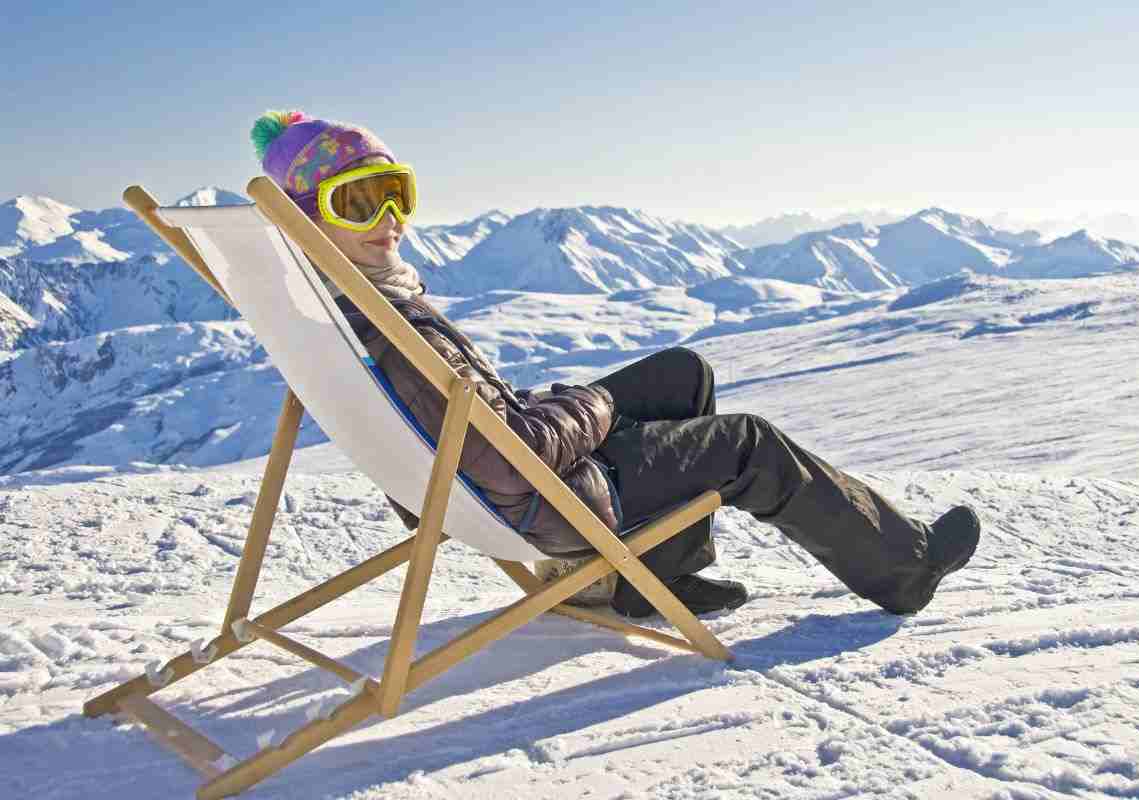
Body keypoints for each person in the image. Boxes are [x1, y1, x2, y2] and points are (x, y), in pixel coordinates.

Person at [250, 110, 982, 619]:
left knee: (680, 373)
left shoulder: (336, 306)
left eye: (394, 194)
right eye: (357, 204)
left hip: (502, 476)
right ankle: (904, 569)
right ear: (310, 219)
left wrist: (550, 404)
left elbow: (470, 423)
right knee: (748, 443)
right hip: (549, 498)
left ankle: (652, 575)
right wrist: (590, 407)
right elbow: (515, 454)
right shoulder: (389, 326)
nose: (390, 222)